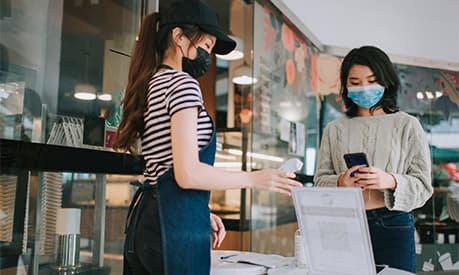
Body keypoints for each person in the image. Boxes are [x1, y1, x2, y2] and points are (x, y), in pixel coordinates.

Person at [113, 1, 301, 274]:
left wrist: (199, 213)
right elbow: (187, 173)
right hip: (172, 230)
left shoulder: (152, 82)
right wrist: (256, 178)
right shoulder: (182, 84)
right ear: (179, 37)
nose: (208, 56)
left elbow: (164, 167)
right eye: (207, 46)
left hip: (149, 223)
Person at [314, 45, 433, 272]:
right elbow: (319, 180)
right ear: (346, 86)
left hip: (393, 224)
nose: (364, 88)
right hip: (343, 225)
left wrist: (390, 180)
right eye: (355, 83)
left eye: (371, 80)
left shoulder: (407, 124)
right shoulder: (334, 128)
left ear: (386, 81)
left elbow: (424, 187)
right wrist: (340, 182)